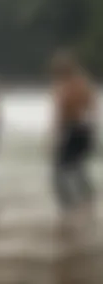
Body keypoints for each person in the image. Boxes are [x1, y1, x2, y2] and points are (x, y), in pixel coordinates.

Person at [50, 51, 97, 223]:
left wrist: (55, 136)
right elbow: (92, 109)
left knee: (58, 171)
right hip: (86, 129)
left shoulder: (63, 88)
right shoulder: (85, 84)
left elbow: (60, 114)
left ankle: (67, 209)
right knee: (77, 167)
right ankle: (88, 200)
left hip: (71, 129)